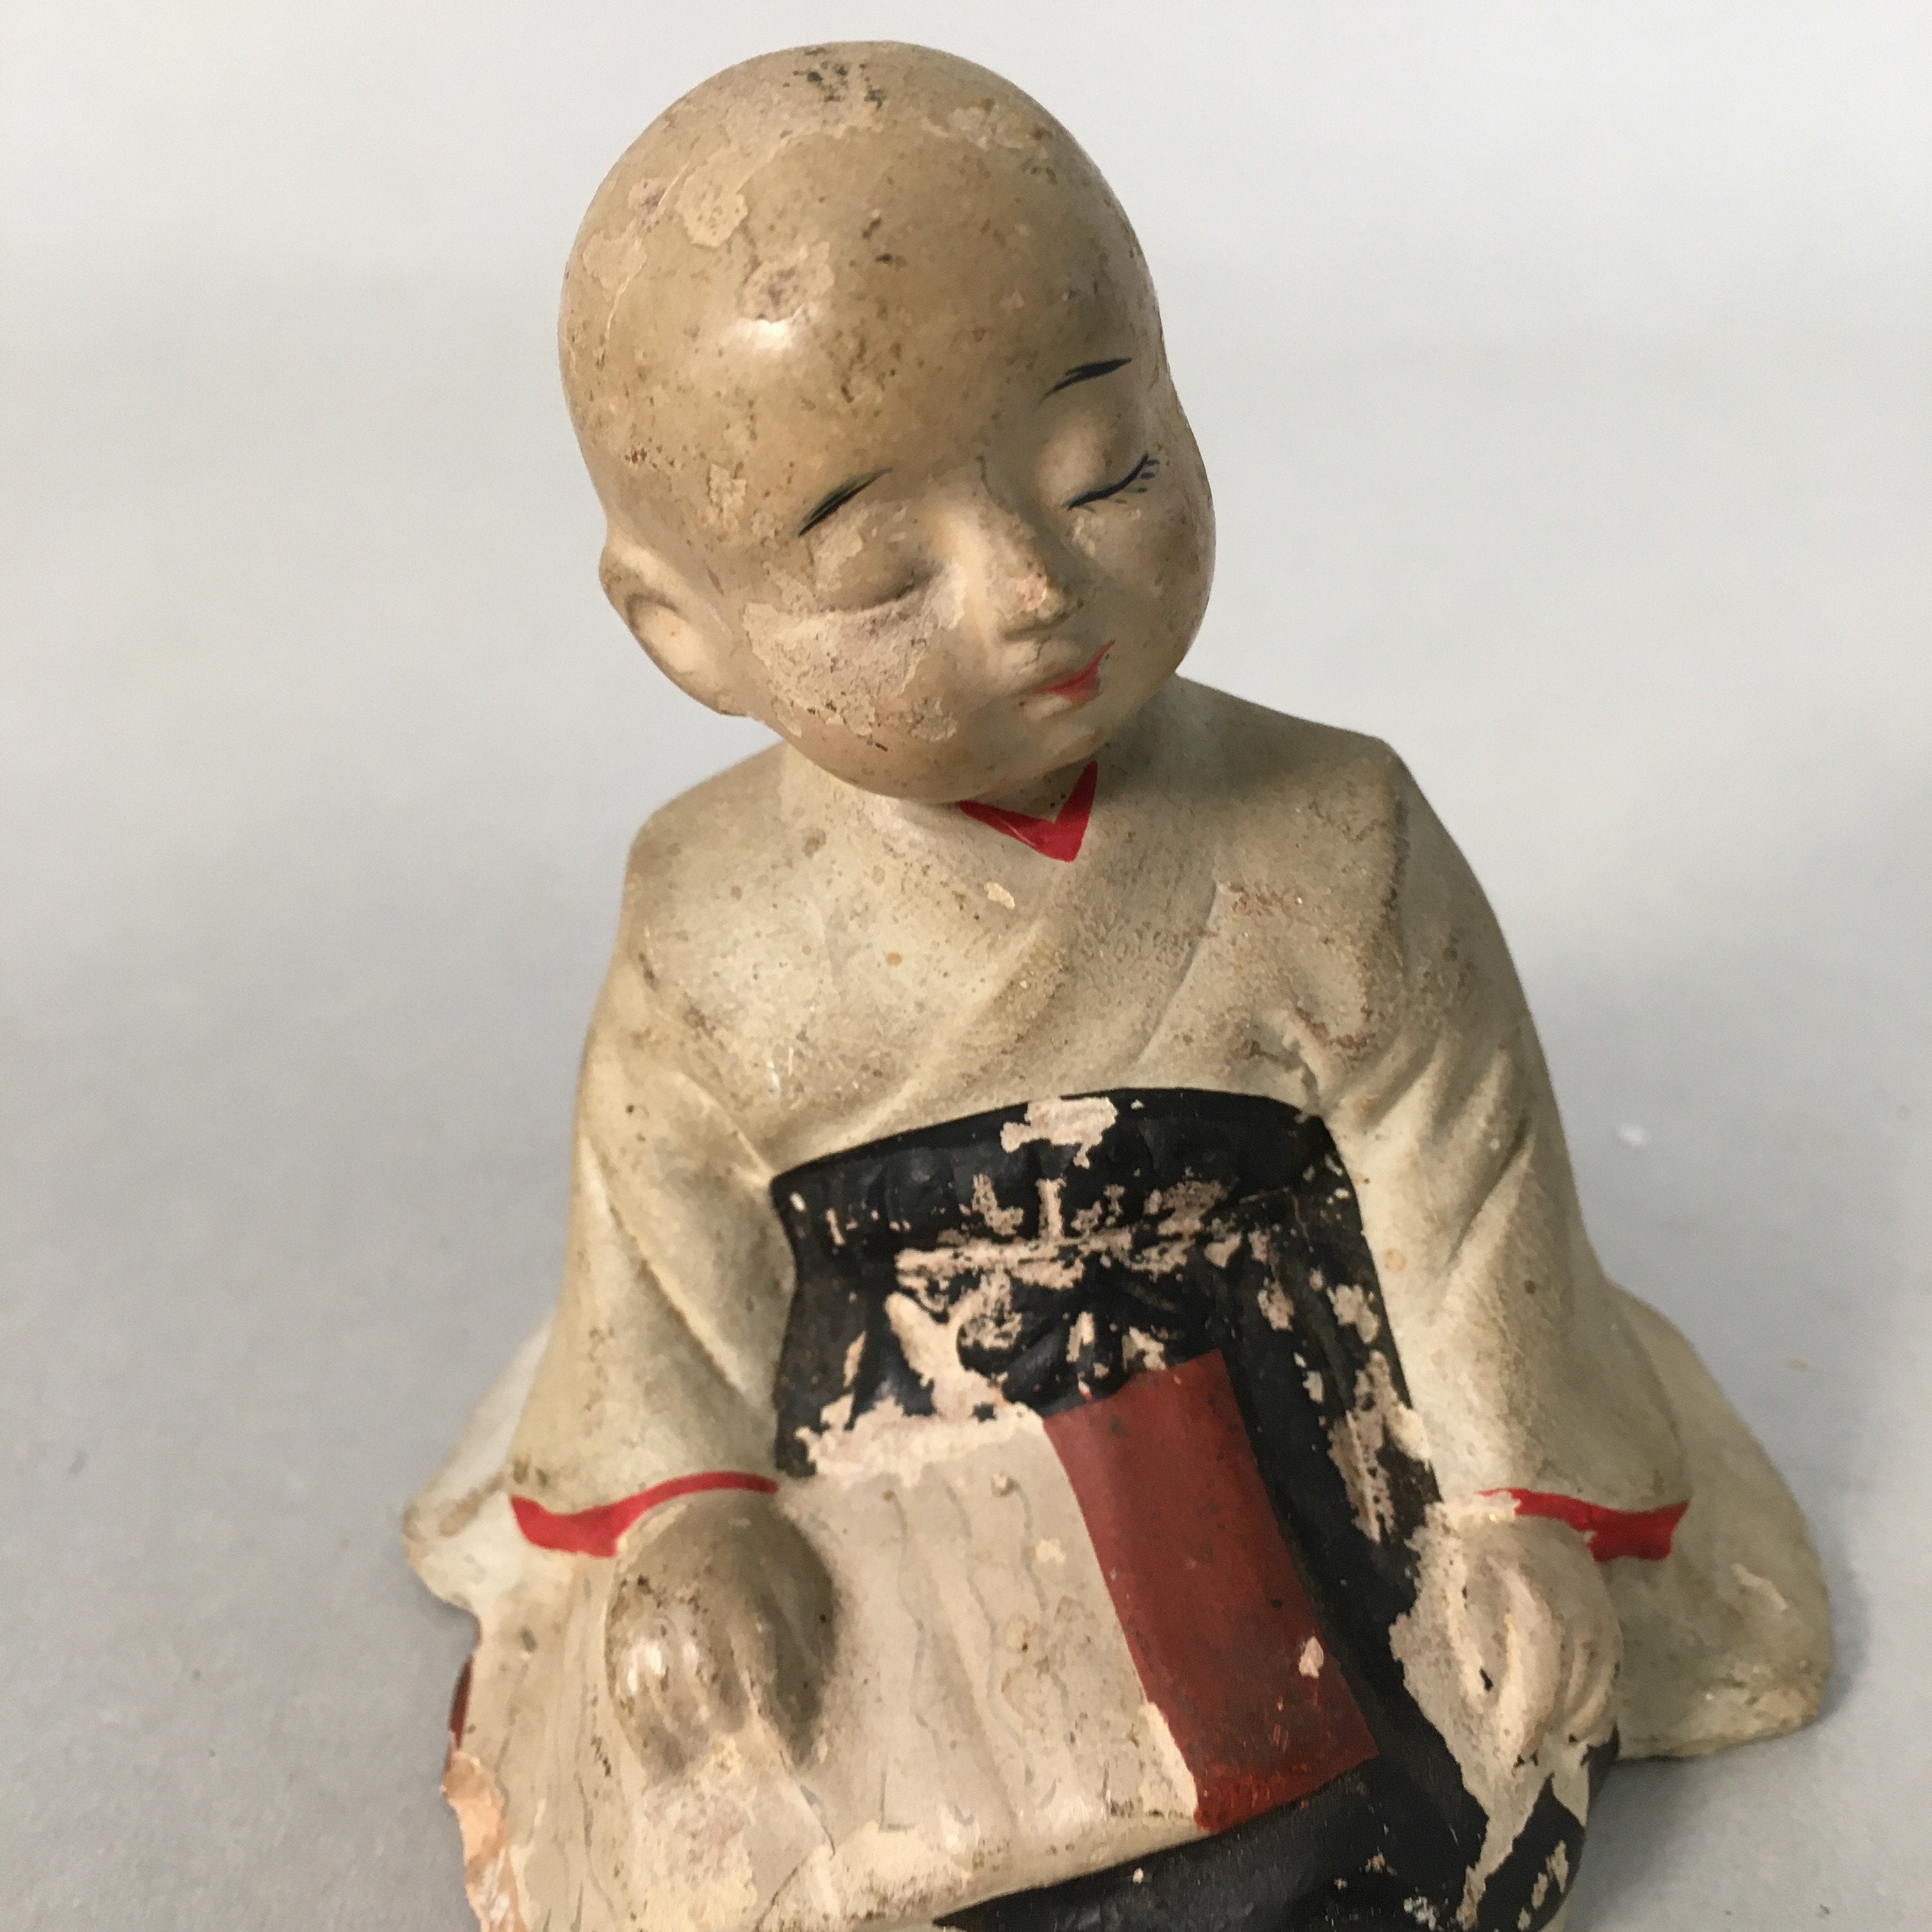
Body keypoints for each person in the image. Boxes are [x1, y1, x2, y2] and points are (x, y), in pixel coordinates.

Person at [406, 43, 1829, 1932]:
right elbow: (663, 1252)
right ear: (683, 629)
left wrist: (1517, 1511)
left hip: (1291, 1365)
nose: (1029, 588)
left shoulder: (1334, 829)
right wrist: (689, 1514)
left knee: (1390, 1780)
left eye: (1109, 471)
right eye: (882, 570)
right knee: (770, 1812)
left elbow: (1468, 1196)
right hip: (881, 1416)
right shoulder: (710, 909)